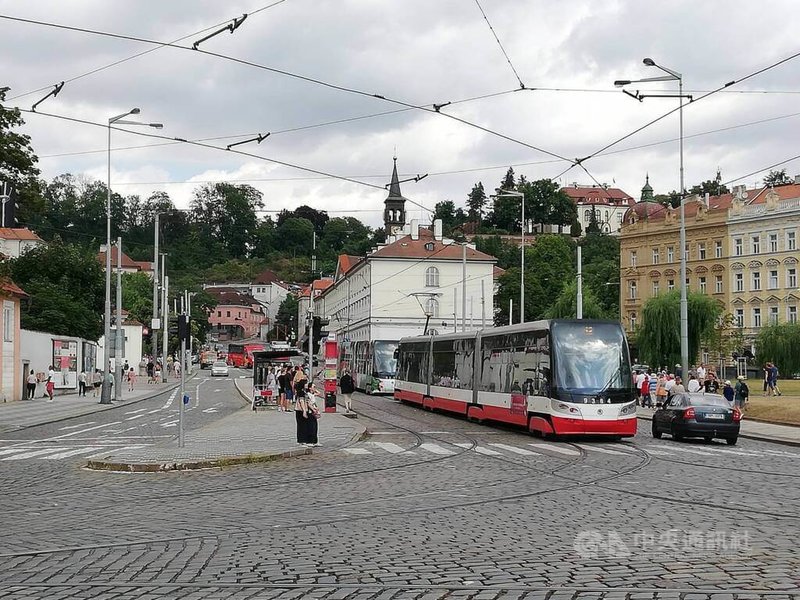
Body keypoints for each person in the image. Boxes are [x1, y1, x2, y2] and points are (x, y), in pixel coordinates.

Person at [294, 373, 310, 445]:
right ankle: (301, 440)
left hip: (301, 410)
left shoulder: (302, 391)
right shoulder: (301, 392)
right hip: (300, 410)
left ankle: (302, 439)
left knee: (302, 425)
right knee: (302, 425)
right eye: (306, 383)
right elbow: (302, 401)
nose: (307, 385)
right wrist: (304, 411)